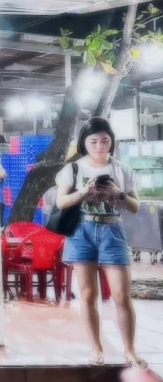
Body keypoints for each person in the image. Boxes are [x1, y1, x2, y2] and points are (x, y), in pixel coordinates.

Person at [56, 116, 142, 365]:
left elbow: (135, 206)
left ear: (112, 142)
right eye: (93, 141)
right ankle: (96, 349)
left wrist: (118, 193)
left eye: (105, 140)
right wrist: (84, 191)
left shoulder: (122, 169)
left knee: (122, 296)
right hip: (81, 231)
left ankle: (130, 349)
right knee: (87, 294)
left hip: (113, 231)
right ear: (85, 142)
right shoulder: (73, 169)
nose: (99, 145)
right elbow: (61, 202)